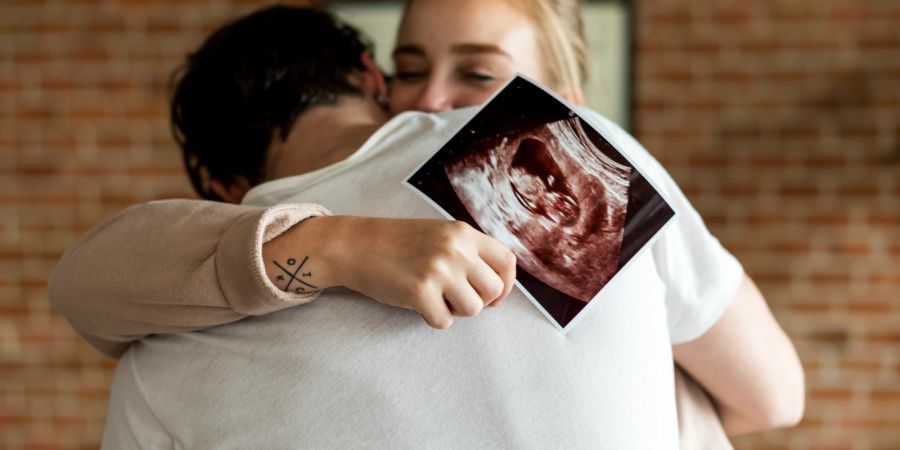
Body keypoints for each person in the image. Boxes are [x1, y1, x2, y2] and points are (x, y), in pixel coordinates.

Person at [48, 3, 804, 448]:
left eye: (477, 75)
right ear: (376, 83)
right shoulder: (537, 150)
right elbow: (773, 397)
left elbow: (80, 285)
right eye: (416, 70)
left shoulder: (157, 356)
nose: (438, 104)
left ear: (219, 185)